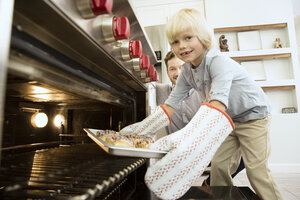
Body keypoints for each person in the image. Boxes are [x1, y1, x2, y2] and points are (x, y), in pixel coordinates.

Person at [120, 8, 282, 200]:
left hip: (253, 117)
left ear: (203, 37)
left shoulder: (218, 61)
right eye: (175, 41)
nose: (182, 46)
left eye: (188, 37)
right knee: (219, 168)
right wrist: (139, 131)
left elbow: (217, 104)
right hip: (229, 120)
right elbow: (170, 105)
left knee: (257, 171)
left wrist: (189, 143)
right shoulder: (187, 70)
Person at [156, 50, 202, 135]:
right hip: (173, 147)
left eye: (182, 68)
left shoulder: (203, 93)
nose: (178, 73)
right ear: (167, 72)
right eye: (172, 69)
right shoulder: (160, 91)